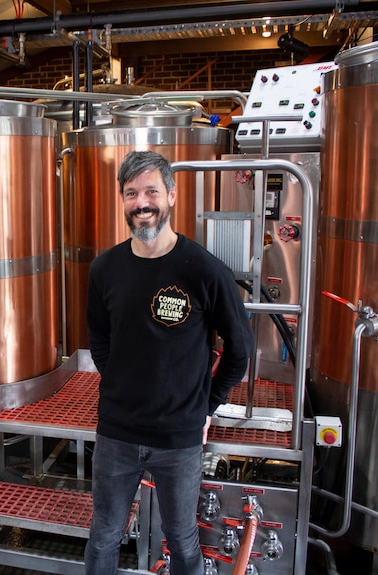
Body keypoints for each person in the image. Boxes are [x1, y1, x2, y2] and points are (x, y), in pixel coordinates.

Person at [84, 150, 253, 575]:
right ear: (122, 200)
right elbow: (100, 341)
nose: (142, 202)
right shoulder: (105, 269)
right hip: (117, 433)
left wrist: (204, 406)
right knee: (104, 534)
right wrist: (123, 385)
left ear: (172, 195)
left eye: (151, 191)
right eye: (131, 193)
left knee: (181, 540)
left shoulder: (204, 270)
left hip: (179, 438)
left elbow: (239, 351)